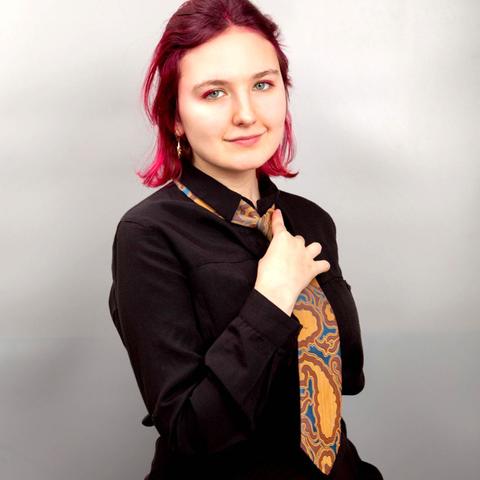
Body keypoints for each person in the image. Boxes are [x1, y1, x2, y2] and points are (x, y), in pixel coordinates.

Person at [108, 1, 383, 479]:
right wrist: (272, 297)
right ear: (175, 116)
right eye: (214, 93)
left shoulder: (311, 221)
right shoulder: (148, 236)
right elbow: (190, 431)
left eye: (262, 85)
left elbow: (348, 379)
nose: (246, 114)